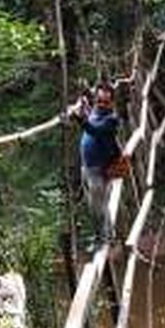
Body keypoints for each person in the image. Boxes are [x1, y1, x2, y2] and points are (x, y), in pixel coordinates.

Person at [70, 83, 121, 242]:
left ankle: (104, 238)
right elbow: (88, 114)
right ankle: (105, 236)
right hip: (87, 167)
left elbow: (94, 130)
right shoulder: (94, 112)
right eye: (99, 101)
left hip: (100, 168)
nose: (101, 104)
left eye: (105, 102)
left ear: (112, 103)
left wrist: (78, 119)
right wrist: (82, 105)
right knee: (95, 205)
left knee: (98, 206)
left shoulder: (111, 120)